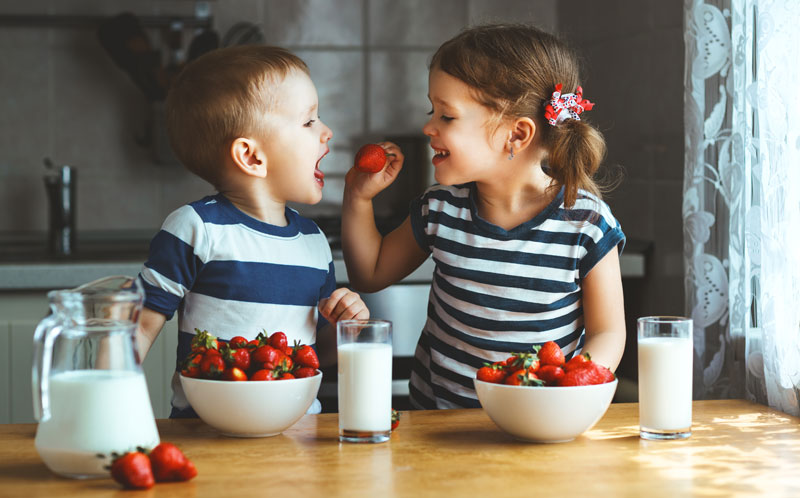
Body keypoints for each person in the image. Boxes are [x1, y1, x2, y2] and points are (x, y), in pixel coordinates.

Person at [341, 24, 626, 409]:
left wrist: (569, 392)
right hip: (437, 426)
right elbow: (369, 273)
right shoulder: (440, 209)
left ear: (517, 134)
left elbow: (608, 333)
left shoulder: (586, 224)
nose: (429, 127)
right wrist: (358, 198)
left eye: (447, 116)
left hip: (535, 423)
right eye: (432, 111)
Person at [137, 45, 369, 417]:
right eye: (309, 121)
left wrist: (348, 331)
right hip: (207, 439)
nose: (327, 132)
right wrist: (105, 407)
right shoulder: (196, 229)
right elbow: (139, 327)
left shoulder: (313, 243)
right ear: (251, 157)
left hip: (298, 440)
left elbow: (317, 356)